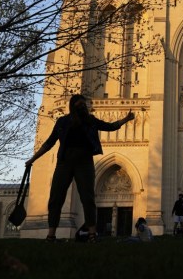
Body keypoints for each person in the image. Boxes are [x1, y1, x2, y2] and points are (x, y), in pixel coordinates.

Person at [26, 94, 135, 242]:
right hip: (65, 162)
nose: (83, 107)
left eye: (84, 105)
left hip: (84, 162)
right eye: (80, 105)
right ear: (72, 106)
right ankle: (51, 235)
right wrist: (33, 159)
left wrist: (126, 119)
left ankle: (92, 234)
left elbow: (109, 127)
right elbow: (49, 142)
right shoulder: (63, 121)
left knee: (88, 198)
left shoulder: (90, 121)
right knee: (56, 198)